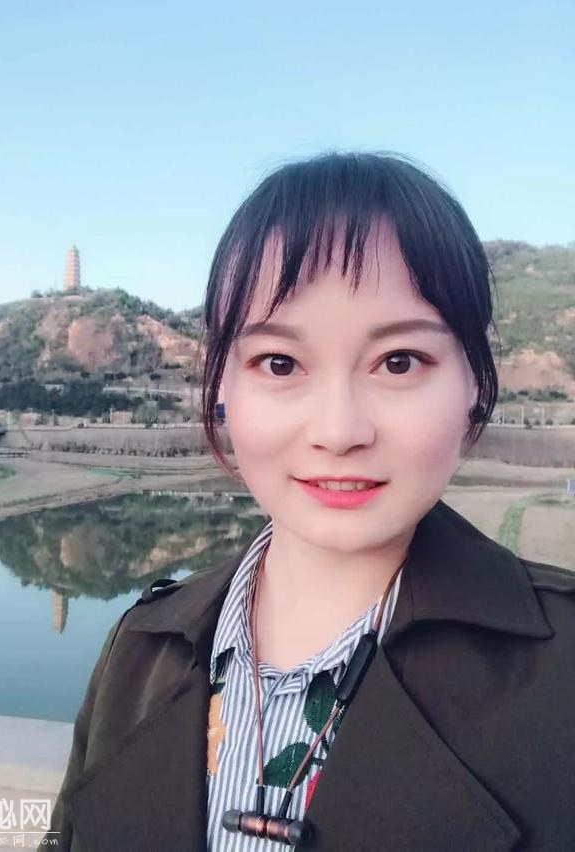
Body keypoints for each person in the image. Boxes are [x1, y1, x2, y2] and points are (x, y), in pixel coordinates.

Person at [42, 153, 575, 851]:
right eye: (280, 363)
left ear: (475, 379)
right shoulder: (138, 651)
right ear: (222, 382)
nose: (338, 430)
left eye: (399, 362)